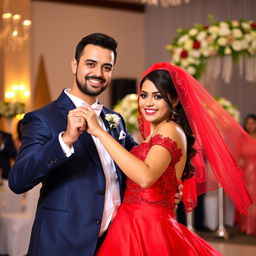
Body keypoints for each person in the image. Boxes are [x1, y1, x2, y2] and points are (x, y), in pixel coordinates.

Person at [8, 34, 182, 256]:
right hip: (62, 244)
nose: (98, 74)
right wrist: (65, 140)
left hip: (114, 243)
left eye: (106, 67)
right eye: (91, 64)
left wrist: (165, 189)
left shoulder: (115, 120)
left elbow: (138, 166)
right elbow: (17, 181)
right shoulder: (43, 118)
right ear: (75, 64)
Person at [82, 62, 255, 255]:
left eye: (158, 96)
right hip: (131, 222)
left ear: (173, 100)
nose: (148, 103)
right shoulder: (154, 134)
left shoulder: (171, 130)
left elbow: (145, 177)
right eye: (144, 95)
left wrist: (100, 132)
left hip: (150, 227)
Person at [235, 113, 256, 235]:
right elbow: (238, 155)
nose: (250, 126)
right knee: (248, 199)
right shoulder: (242, 138)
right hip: (246, 173)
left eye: (252, 123)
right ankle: (246, 226)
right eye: (248, 123)